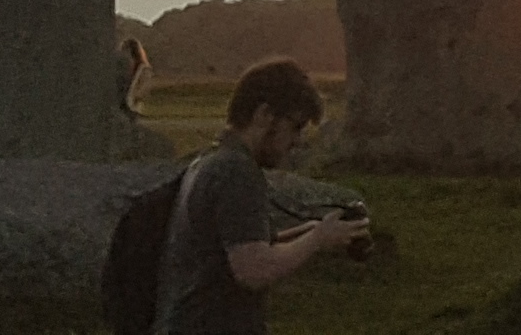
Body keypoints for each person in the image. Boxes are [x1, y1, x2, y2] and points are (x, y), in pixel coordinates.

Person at [155, 57, 368, 334]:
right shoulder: (236, 172)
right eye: (296, 125)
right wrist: (317, 239)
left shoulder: (210, 160)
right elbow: (253, 270)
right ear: (264, 115)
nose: (298, 140)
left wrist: (312, 231)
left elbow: (237, 242)